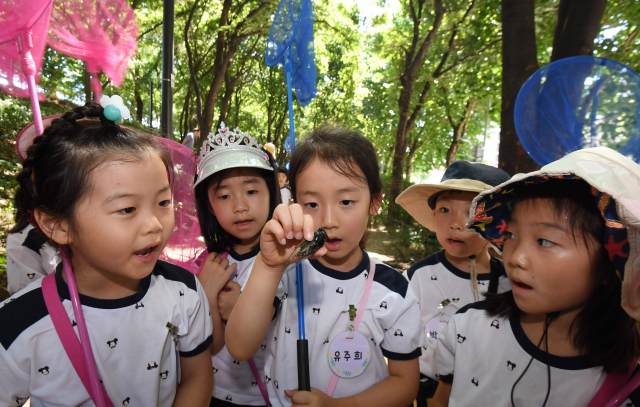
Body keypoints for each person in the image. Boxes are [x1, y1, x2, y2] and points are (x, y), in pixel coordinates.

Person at [0, 102, 214, 406]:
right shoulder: (16, 325)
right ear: (57, 225)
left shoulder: (185, 292)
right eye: (127, 209)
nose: (154, 224)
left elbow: (197, 376)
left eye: (163, 203)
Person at [226, 126, 423, 407]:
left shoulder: (393, 290)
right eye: (312, 203)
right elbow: (239, 346)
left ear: (374, 201)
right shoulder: (283, 273)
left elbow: (405, 384)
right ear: (294, 203)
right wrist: (269, 266)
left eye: (345, 201)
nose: (329, 220)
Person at [431, 147, 640, 407]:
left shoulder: (627, 383)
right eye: (511, 236)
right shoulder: (468, 326)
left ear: (610, 262)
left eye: (544, 241)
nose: (515, 257)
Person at [395, 161, 512, 405]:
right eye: (445, 210)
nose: (456, 224)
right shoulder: (418, 276)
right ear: (433, 214)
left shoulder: (509, 284)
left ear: (497, 224)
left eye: (472, 213)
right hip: (424, 393)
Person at [193, 122, 280, 406]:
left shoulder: (285, 259)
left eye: (251, 192)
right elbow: (213, 345)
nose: (239, 206)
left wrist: (239, 305)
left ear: (270, 191)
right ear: (209, 205)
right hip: (217, 394)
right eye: (224, 195)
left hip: (270, 395)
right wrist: (207, 295)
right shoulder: (211, 264)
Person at [6, 223, 58, 294]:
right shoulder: (35, 232)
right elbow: (54, 268)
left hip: (21, 293)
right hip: (39, 294)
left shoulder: (16, 232)